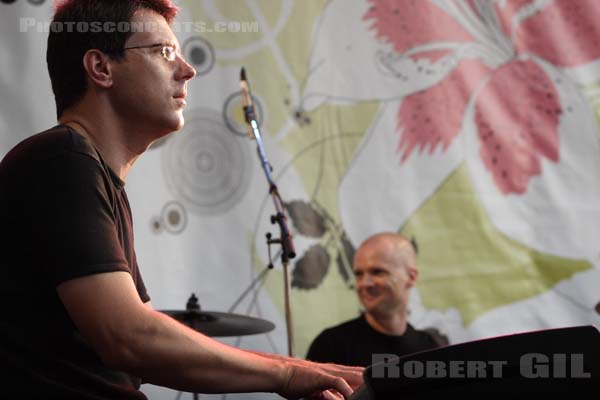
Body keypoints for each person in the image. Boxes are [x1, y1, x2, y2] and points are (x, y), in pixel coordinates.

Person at [0, 1, 363, 399]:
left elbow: (148, 341)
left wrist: (295, 373)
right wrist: (289, 373)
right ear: (101, 68)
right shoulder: (61, 161)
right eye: (164, 52)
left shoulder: (92, 176)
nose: (188, 70)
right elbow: (128, 337)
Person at [306, 233, 448, 367]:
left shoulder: (430, 349)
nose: (364, 283)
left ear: (411, 277)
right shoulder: (331, 346)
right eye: (359, 274)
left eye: (377, 272)